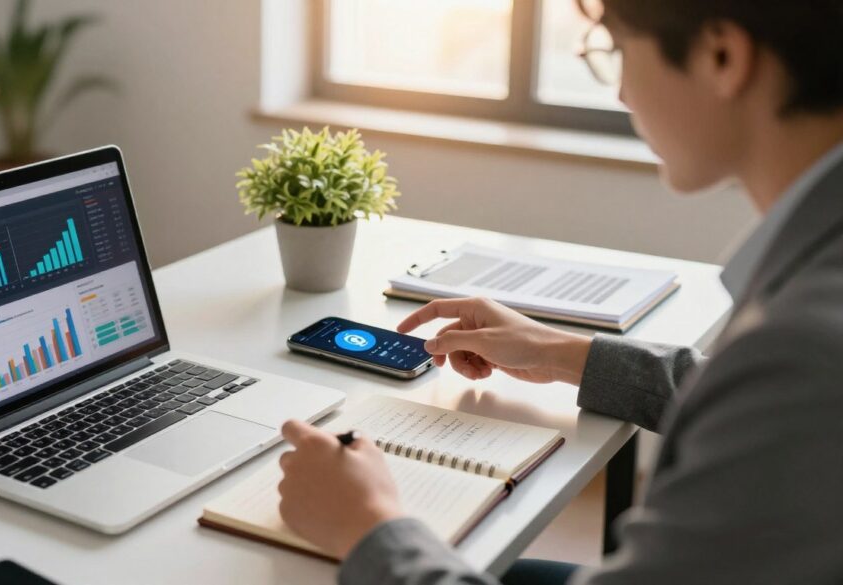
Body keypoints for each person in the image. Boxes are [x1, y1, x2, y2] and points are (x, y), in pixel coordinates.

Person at [275, 0, 843, 583]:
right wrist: (557, 351)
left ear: (723, 55)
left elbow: (779, 388)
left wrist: (368, 524)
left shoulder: (802, 349)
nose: (622, 93)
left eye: (618, 51)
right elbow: (746, 400)